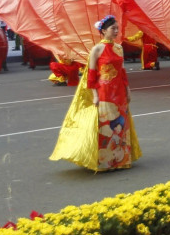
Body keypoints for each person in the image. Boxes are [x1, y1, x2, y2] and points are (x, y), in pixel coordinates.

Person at [50, 15, 142, 171]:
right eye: (113, 28)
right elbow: (92, 74)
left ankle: (121, 159)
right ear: (104, 30)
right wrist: (95, 95)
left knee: (121, 124)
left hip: (118, 91)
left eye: (117, 28)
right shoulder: (97, 49)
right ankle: (105, 161)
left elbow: (122, 72)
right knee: (106, 126)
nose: (116, 31)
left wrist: (128, 89)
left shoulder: (119, 48)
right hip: (104, 92)